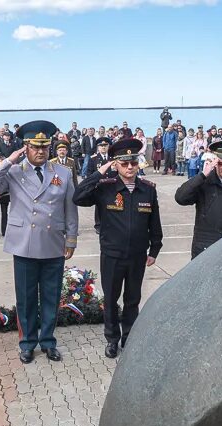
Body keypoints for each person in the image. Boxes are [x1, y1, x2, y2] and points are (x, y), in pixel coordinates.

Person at [0, 120, 78, 364]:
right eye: (35, 147)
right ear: (25, 147)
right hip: (24, 243)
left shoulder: (63, 173)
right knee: (25, 298)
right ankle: (27, 343)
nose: (41, 151)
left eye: (45, 147)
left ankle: (47, 341)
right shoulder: (14, 171)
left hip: (52, 242)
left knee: (51, 296)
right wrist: (9, 160)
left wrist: (71, 239)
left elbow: (70, 208)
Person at [73, 139, 163, 359]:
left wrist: (154, 251)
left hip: (137, 257)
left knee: (133, 300)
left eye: (133, 162)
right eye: (124, 163)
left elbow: (155, 223)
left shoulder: (147, 190)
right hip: (112, 255)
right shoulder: (105, 188)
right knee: (111, 300)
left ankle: (129, 337)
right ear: (116, 165)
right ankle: (112, 340)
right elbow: (78, 196)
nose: (130, 167)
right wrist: (100, 171)